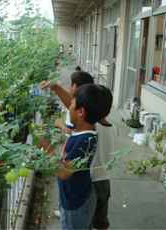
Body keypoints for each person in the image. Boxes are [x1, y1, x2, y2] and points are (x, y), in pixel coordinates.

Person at [40, 71, 114, 230]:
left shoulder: (86, 138)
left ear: (81, 111)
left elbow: (64, 172)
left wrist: (47, 147)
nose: (69, 106)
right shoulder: (89, 128)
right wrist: (56, 88)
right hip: (78, 195)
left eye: (72, 104)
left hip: (80, 197)